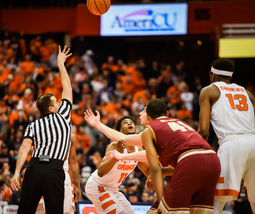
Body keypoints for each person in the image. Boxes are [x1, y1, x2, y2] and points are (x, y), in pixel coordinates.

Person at [84, 99, 221, 213]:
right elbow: (150, 158)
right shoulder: (179, 123)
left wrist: (97, 124)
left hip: (190, 160)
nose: (139, 114)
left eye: (142, 111)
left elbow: (148, 162)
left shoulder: (151, 130)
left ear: (148, 116)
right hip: (213, 160)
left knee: (163, 209)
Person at [10, 45, 73, 214]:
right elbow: (67, 87)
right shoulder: (64, 115)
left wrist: (16, 173)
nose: (60, 103)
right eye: (56, 102)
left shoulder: (33, 125)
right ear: (51, 109)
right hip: (54, 169)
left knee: (25, 211)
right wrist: (61, 63)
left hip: (34, 168)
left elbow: (24, 148)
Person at [197, 58, 255, 214]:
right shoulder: (248, 94)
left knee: (216, 201)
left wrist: (191, 151)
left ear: (212, 76)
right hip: (253, 142)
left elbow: (203, 130)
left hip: (232, 145)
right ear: (230, 77)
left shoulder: (209, 90)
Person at [85, 116, 149, 214]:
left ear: (136, 129)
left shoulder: (139, 149)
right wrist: (116, 156)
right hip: (97, 186)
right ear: (120, 131)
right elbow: (101, 172)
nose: (129, 123)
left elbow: (148, 170)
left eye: (131, 122)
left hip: (113, 189)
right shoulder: (114, 146)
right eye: (125, 123)